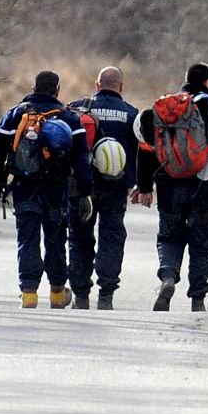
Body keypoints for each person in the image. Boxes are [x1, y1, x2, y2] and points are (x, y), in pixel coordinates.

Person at [133, 63, 208, 312]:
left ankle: (168, 279)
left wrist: (144, 186)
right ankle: (198, 299)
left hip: (169, 184)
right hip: (206, 184)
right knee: (202, 241)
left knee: (169, 237)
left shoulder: (168, 108)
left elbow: (147, 147)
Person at [0, 70, 93, 309]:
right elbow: (81, 158)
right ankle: (57, 294)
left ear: (33, 89)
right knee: (55, 239)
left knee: (28, 239)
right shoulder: (68, 118)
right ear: (57, 91)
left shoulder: (16, 115)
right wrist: (85, 190)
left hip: (25, 187)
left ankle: (29, 294)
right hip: (56, 189)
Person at [66, 66, 140, 311]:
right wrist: (139, 183)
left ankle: (80, 295)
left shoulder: (76, 109)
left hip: (81, 188)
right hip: (115, 189)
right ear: (121, 87)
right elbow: (140, 154)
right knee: (112, 238)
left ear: (97, 85)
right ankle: (106, 295)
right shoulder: (131, 114)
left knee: (79, 239)